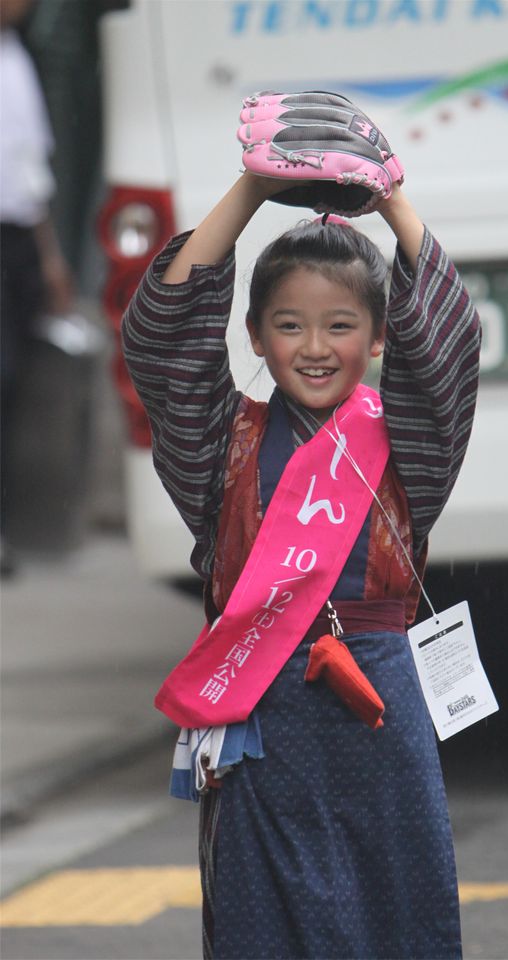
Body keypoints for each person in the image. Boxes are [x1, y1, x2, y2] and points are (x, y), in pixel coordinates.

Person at [122, 99, 481, 960]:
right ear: (254, 334)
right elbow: (161, 337)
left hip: (381, 722)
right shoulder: (223, 445)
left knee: (400, 919)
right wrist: (255, 185)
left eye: (340, 325)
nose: (314, 347)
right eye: (288, 325)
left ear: (380, 335)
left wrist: (390, 196)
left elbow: (452, 349)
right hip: (262, 721)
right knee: (263, 927)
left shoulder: (409, 449)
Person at [0, 0, 74, 574]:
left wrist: (50, 258)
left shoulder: (17, 56)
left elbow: (31, 169)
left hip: (19, 239)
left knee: (18, 379)